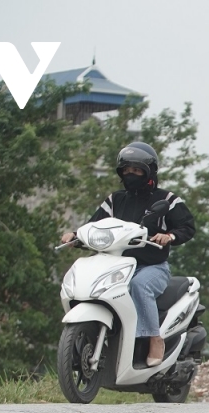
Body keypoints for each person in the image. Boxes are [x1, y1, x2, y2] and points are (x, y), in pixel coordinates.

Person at [61, 142, 195, 366]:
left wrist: (169, 236)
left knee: (139, 286)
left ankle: (154, 338)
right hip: (117, 266)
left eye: (136, 170)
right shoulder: (115, 200)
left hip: (151, 267)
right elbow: (95, 225)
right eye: (126, 170)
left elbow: (187, 227)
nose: (130, 174)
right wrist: (76, 235)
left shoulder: (168, 200)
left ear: (149, 172)